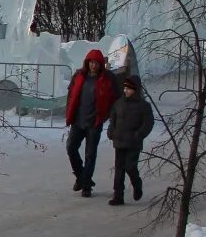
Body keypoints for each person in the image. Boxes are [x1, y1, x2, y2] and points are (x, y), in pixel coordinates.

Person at [65, 48, 117, 197]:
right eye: (91, 63)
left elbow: (115, 98)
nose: (93, 66)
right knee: (71, 147)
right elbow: (71, 94)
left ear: (101, 64)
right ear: (87, 63)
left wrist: (107, 116)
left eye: (96, 63)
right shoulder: (79, 76)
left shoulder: (108, 79)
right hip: (78, 120)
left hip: (94, 121)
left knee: (90, 153)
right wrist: (69, 111)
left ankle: (86, 185)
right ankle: (81, 176)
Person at [105, 77, 154, 206]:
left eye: (129, 88)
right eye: (125, 88)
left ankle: (136, 183)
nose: (126, 90)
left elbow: (148, 123)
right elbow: (113, 119)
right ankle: (118, 195)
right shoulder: (119, 103)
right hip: (119, 140)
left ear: (135, 90)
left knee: (130, 166)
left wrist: (139, 135)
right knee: (119, 169)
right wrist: (111, 131)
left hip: (133, 142)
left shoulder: (144, 106)